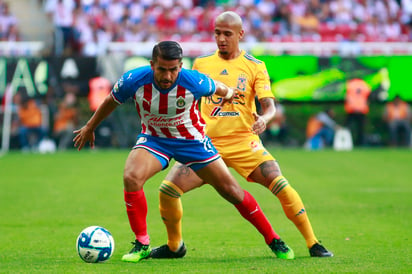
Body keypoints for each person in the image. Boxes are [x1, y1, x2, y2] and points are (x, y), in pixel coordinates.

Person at [73, 41, 294, 263]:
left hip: (192, 143)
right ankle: (142, 243)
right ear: (152, 65)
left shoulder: (193, 81)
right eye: (162, 69)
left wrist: (229, 94)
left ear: (180, 66)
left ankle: (273, 238)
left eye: (173, 69)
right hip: (154, 139)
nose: (167, 76)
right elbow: (112, 100)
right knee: (131, 177)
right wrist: (90, 126)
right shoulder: (134, 80)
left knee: (232, 191)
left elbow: (219, 88)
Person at [151, 12, 333, 259]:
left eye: (227, 33)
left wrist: (265, 119)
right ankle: (175, 246)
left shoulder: (255, 66)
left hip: (242, 141)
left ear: (240, 34)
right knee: (168, 190)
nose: (221, 38)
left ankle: (313, 243)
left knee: (277, 180)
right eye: (217, 33)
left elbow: (269, 105)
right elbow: (189, 100)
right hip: (205, 144)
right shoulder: (202, 64)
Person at [344, 78, 371, 146]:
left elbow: (346, 96)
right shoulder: (364, 84)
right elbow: (368, 95)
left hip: (352, 109)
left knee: (348, 128)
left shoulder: (350, 84)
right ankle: (360, 143)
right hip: (361, 109)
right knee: (361, 129)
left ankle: (346, 143)